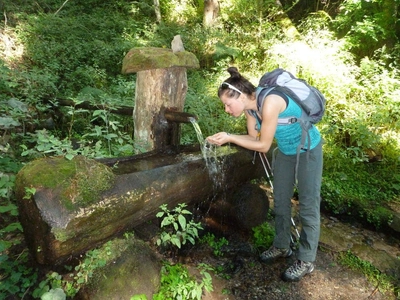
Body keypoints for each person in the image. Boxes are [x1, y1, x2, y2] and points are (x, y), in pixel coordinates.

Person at [206, 67, 323, 282]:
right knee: (280, 202)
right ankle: (281, 246)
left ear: (240, 96)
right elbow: (253, 138)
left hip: (309, 151)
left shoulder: (271, 101)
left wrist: (230, 137)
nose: (226, 109)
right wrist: (227, 136)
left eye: (228, 104)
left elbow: (263, 145)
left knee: (308, 204)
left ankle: (306, 259)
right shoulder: (251, 110)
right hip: (286, 153)